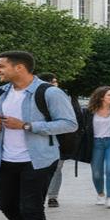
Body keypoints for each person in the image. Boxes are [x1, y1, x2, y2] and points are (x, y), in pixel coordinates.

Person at [0, 51, 78, 220]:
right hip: (5, 158)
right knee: (6, 204)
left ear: (19, 68)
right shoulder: (0, 92)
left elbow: (69, 123)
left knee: (31, 208)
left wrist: (28, 126)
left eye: (1, 66)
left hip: (38, 159)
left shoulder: (49, 92)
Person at [37, 73, 83, 209]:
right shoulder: (33, 99)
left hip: (61, 139)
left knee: (56, 168)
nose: (56, 84)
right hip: (40, 138)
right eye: (53, 82)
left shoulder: (63, 98)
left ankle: (52, 196)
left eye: (56, 82)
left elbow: (74, 120)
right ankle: (39, 194)